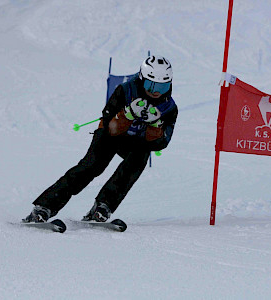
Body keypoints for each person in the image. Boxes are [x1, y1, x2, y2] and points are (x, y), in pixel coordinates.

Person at [23, 55, 178, 223]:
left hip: (136, 142)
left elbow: (161, 143)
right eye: (151, 84)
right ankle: (44, 206)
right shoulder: (125, 91)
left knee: (137, 160)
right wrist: (127, 114)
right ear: (142, 79)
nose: (156, 91)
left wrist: (155, 125)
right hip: (110, 135)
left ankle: (103, 206)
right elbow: (110, 127)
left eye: (163, 86)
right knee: (91, 166)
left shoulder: (169, 107)